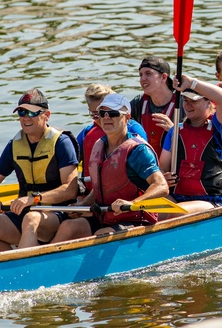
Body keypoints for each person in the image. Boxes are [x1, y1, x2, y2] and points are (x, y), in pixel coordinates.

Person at [0, 89, 79, 252]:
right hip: (26, 212)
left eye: (32, 113)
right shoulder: (14, 145)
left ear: (46, 115)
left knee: (31, 219)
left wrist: (34, 199)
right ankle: (14, 266)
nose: (26, 118)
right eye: (21, 112)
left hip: (57, 213)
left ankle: (23, 268)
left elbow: (70, 189)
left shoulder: (61, 143)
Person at [52, 93, 169, 242]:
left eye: (113, 113)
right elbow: (102, 186)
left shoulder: (138, 151)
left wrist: (133, 203)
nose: (106, 117)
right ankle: (39, 263)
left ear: (127, 118)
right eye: (102, 113)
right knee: (68, 226)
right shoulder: (99, 145)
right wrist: (83, 204)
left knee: (101, 235)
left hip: (134, 220)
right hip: (104, 216)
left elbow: (161, 185)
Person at [158, 74, 222, 213]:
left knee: (175, 213)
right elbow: (162, 167)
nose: (188, 105)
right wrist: (164, 177)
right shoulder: (175, 131)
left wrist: (191, 83)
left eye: (193, 100)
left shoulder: (221, 127)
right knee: (148, 211)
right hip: (177, 197)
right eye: (185, 100)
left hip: (214, 200)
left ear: (209, 103)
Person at [76, 84, 147, 177]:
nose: (103, 118)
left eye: (110, 113)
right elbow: (73, 163)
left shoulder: (133, 129)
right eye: (95, 114)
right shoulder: (87, 132)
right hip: (92, 189)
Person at [130, 56, 178, 156]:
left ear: (164, 77)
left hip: (173, 164)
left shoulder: (182, 104)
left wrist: (173, 131)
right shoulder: (137, 103)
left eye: (148, 74)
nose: (142, 79)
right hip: (144, 163)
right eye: (140, 75)